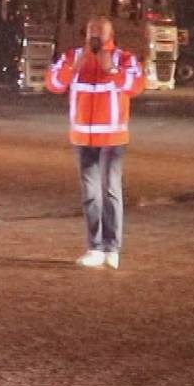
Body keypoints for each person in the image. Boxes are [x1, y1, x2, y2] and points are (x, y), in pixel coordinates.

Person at [46, 15, 146, 269]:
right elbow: (54, 84)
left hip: (112, 137)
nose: (96, 35)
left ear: (110, 34)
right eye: (92, 30)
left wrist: (110, 68)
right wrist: (77, 63)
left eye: (101, 31)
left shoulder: (124, 58)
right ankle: (95, 247)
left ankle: (112, 248)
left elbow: (135, 86)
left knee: (111, 190)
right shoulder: (73, 57)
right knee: (91, 194)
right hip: (83, 137)